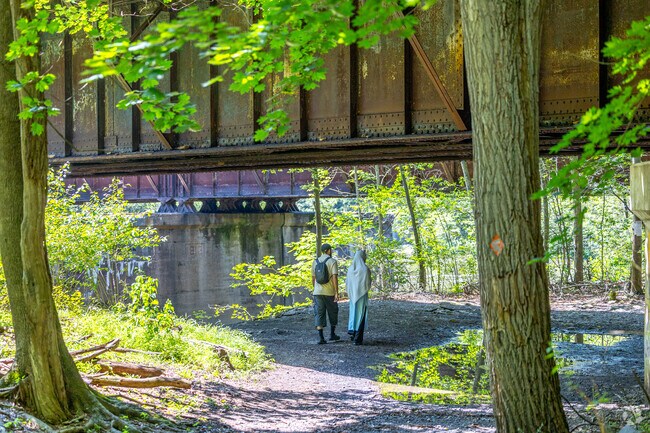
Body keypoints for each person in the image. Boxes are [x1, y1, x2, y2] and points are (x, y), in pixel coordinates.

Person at [312, 243, 340, 344]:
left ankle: (321, 338)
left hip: (317, 292)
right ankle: (332, 335)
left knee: (319, 313)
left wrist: (315, 289)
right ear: (328, 250)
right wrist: (336, 292)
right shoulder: (332, 261)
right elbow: (334, 278)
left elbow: (313, 278)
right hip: (329, 292)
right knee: (333, 311)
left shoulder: (315, 262)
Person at [346, 250, 370, 345]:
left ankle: (352, 333)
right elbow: (368, 284)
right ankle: (358, 338)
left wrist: (351, 292)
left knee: (353, 314)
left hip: (352, 295)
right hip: (362, 295)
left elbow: (347, 283)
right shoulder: (365, 269)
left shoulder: (350, 269)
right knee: (361, 315)